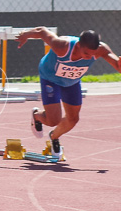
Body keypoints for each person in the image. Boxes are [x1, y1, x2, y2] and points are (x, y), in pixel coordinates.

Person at [17, 27, 120, 158]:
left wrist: (119, 66)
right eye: (86, 53)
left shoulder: (100, 50)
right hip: (50, 78)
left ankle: (54, 137)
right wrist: (26, 35)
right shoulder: (62, 45)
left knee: (73, 119)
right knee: (53, 120)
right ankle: (37, 116)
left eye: (93, 54)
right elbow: (43, 32)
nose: (90, 57)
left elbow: (117, 65)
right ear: (78, 45)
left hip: (71, 82)